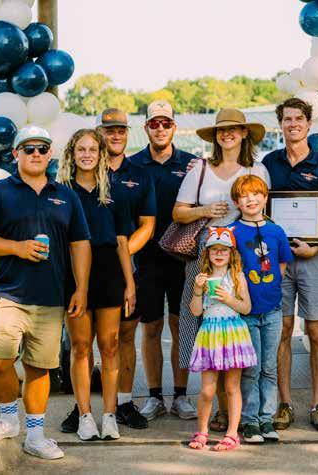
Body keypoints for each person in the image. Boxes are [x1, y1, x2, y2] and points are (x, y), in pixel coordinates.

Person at [0, 125, 91, 460]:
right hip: (6, 293)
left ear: (50, 154)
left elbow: (80, 243)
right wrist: (16, 247)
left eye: (42, 148)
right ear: (15, 154)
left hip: (50, 296)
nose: (36, 153)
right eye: (28, 148)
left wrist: (81, 288)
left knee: (39, 368)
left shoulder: (66, 196)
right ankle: (9, 419)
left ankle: (35, 436)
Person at [173, 108, 269, 432]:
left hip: (245, 251)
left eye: (233, 129)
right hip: (206, 252)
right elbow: (178, 212)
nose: (227, 134)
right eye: (221, 130)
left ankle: (246, 411)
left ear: (244, 134)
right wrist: (204, 210)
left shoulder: (257, 169)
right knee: (203, 322)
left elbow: (265, 210)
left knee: (243, 322)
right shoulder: (200, 169)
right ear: (215, 136)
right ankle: (218, 409)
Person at [262, 98, 318, 432]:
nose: (293, 124)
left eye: (299, 118)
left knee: (317, 331)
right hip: (277, 261)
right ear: (280, 124)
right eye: (287, 119)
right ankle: (284, 403)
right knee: (280, 330)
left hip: (314, 258)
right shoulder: (268, 163)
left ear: (309, 124)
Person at [56, 129, 137, 441]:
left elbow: (122, 241)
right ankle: (85, 415)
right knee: (80, 346)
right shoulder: (62, 191)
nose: (87, 154)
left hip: (109, 271)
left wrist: (130, 283)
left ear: (101, 154)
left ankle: (110, 415)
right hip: (74, 274)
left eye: (92, 149)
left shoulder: (114, 190)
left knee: (110, 345)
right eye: (81, 149)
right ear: (72, 154)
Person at [129, 101, 198, 421]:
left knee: (181, 326)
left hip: (182, 258)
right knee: (151, 327)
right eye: (154, 124)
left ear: (174, 127)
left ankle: (181, 396)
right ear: (146, 127)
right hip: (146, 259)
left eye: (166, 123)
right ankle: (154, 396)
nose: (160, 129)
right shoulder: (132, 165)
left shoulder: (192, 164)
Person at [96, 108, 157, 430]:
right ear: (100, 133)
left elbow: (148, 225)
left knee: (125, 335)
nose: (116, 135)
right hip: (88, 268)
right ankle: (83, 408)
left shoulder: (140, 174)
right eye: (109, 130)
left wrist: (120, 256)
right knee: (86, 340)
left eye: (120, 130)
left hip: (129, 267)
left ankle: (123, 402)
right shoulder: (86, 169)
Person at [230, 175, 293, 443]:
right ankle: (249, 421)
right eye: (244, 195)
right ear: (237, 202)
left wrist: (270, 286)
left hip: (272, 310)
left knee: (269, 367)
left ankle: (267, 418)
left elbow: (282, 264)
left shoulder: (276, 231)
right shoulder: (233, 232)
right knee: (251, 368)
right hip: (246, 312)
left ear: (265, 198)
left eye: (256, 194)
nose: (251, 199)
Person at [187, 227, 256, 452]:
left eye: (224, 250)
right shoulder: (203, 278)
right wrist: (198, 290)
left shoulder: (236, 277)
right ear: (207, 253)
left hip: (233, 332)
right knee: (207, 390)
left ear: (231, 253)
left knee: (231, 386)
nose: (218, 253)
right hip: (210, 333)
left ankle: (232, 434)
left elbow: (246, 308)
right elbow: (196, 311)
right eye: (214, 249)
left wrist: (228, 299)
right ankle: (202, 431)